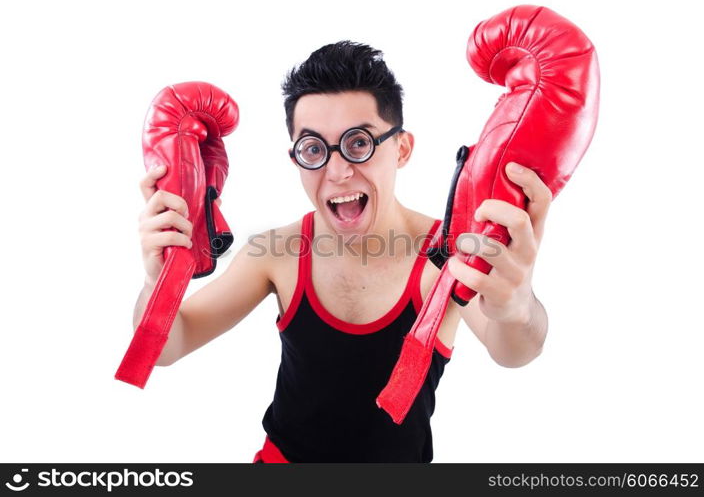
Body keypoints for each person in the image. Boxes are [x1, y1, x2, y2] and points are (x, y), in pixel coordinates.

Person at [133, 41, 550, 462]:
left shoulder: (445, 255)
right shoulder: (276, 252)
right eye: (313, 149)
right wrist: (158, 279)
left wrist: (515, 305)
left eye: (358, 143)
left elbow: (514, 351)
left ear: (401, 149)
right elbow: (167, 347)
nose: (337, 171)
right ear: (296, 160)